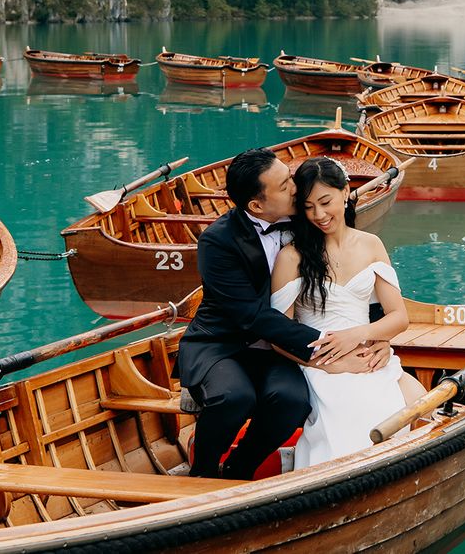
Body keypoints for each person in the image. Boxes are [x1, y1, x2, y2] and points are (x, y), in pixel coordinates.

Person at [177, 148, 391, 480]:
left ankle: (239, 469)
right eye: (284, 185)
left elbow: (356, 273)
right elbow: (252, 316)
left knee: (292, 400)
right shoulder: (218, 242)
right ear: (257, 206)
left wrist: (377, 336)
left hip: (280, 350)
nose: (295, 188)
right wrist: (329, 348)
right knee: (235, 396)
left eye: (290, 177)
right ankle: (202, 472)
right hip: (224, 343)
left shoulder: (308, 217)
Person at [271, 156, 426, 467]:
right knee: (354, 415)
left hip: (368, 353)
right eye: (308, 206)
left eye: (325, 201)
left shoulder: (371, 245)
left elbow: (398, 316)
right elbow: (278, 334)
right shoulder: (292, 256)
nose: (319, 214)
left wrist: (365, 336)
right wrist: (331, 364)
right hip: (319, 361)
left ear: (345, 192)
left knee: (422, 402)